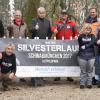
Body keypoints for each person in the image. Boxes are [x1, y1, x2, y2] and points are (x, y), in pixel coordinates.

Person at [51, 9, 78, 82]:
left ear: (67, 15)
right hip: (59, 44)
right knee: (59, 60)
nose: (64, 15)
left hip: (69, 45)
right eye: (62, 14)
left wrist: (76, 36)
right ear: (60, 15)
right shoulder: (57, 23)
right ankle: (58, 75)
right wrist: (54, 30)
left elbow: (76, 32)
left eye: (65, 14)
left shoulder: (72, 23)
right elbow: (52, 28)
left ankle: (69, 75)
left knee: (68, 60)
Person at [29, 7, 52, 86]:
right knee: (35, 60)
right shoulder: (34, 20)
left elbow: (50, 32)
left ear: (45, 13)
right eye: (40, 13)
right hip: (35, 44)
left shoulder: (48, 21)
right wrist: (35, 28)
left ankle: (41, 77)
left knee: (43, 60)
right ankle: (34, 77)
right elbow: (30, 30)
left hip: (44, 44)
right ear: (37, 13)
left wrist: (47, 39)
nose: (42, 14)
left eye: (43, 13)